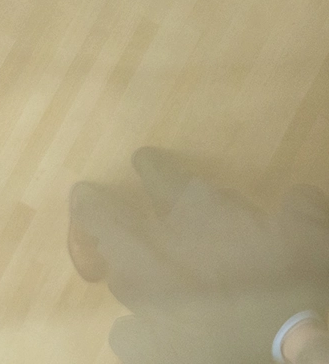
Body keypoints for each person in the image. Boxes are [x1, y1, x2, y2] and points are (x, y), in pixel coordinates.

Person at [68, 147, 329, 364]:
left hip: (200, 209)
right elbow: (122, 336)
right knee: (117, 236)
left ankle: (158, 179)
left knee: (195, 202)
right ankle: (98, 210)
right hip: (136, 251)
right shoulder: (209, 356)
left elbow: (303, 198)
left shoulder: (317, 261)